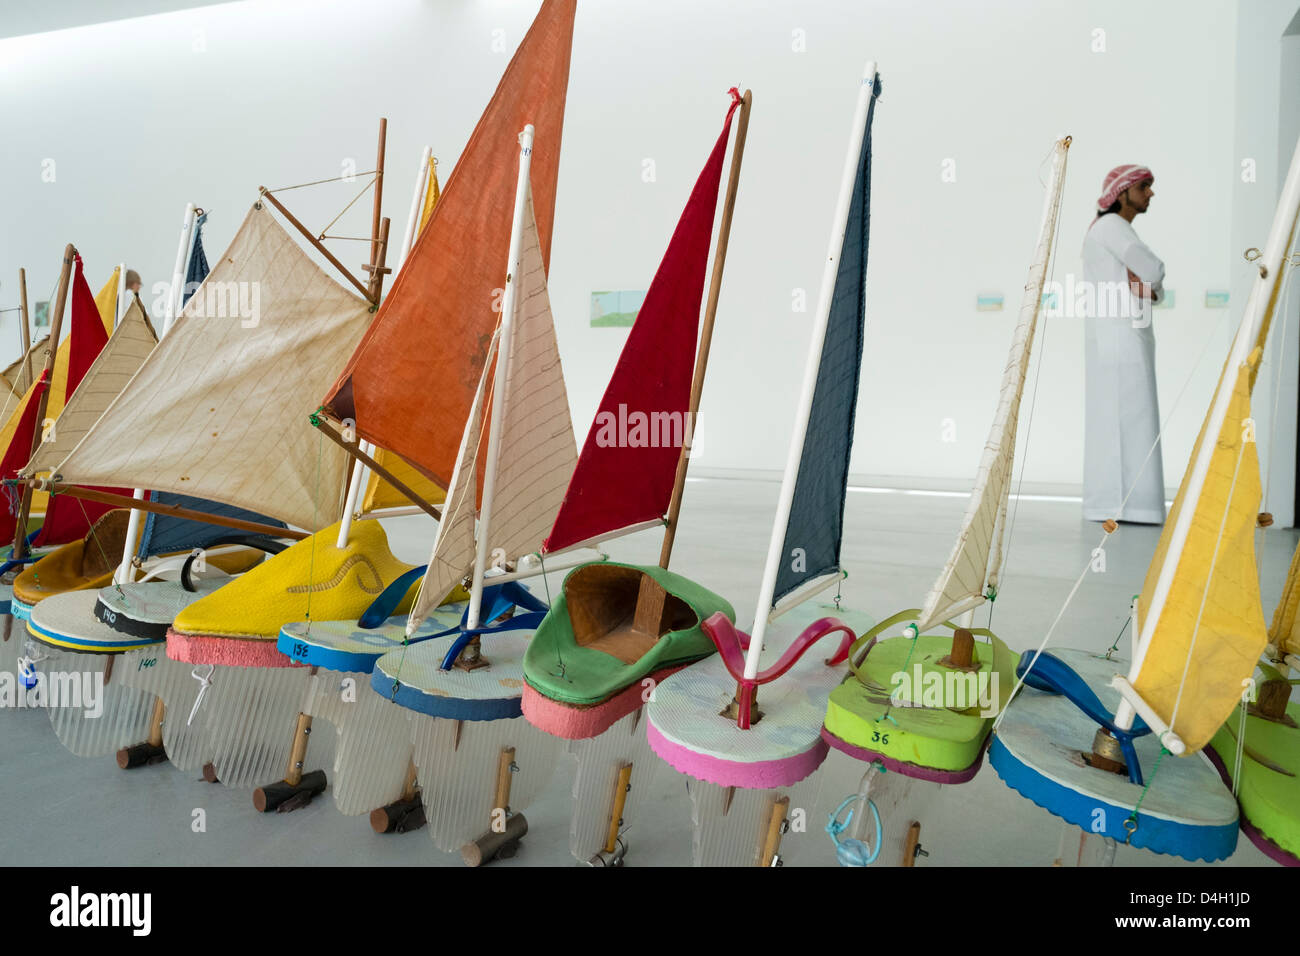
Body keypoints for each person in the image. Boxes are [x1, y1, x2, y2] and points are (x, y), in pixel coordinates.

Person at [1082, 164, 1166, 524]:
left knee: (1121, 419)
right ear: (1122, 192)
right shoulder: (1112, 228)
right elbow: (1155, 270)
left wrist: (1152, 289)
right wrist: (1153, 286)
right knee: (1131, 419)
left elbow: (1150, 284)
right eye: (1144, 186)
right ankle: (1133, 506)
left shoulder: (1111, 229)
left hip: (1118, 339)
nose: (1150, 193)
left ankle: (1118, 504)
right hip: (1122, 340)